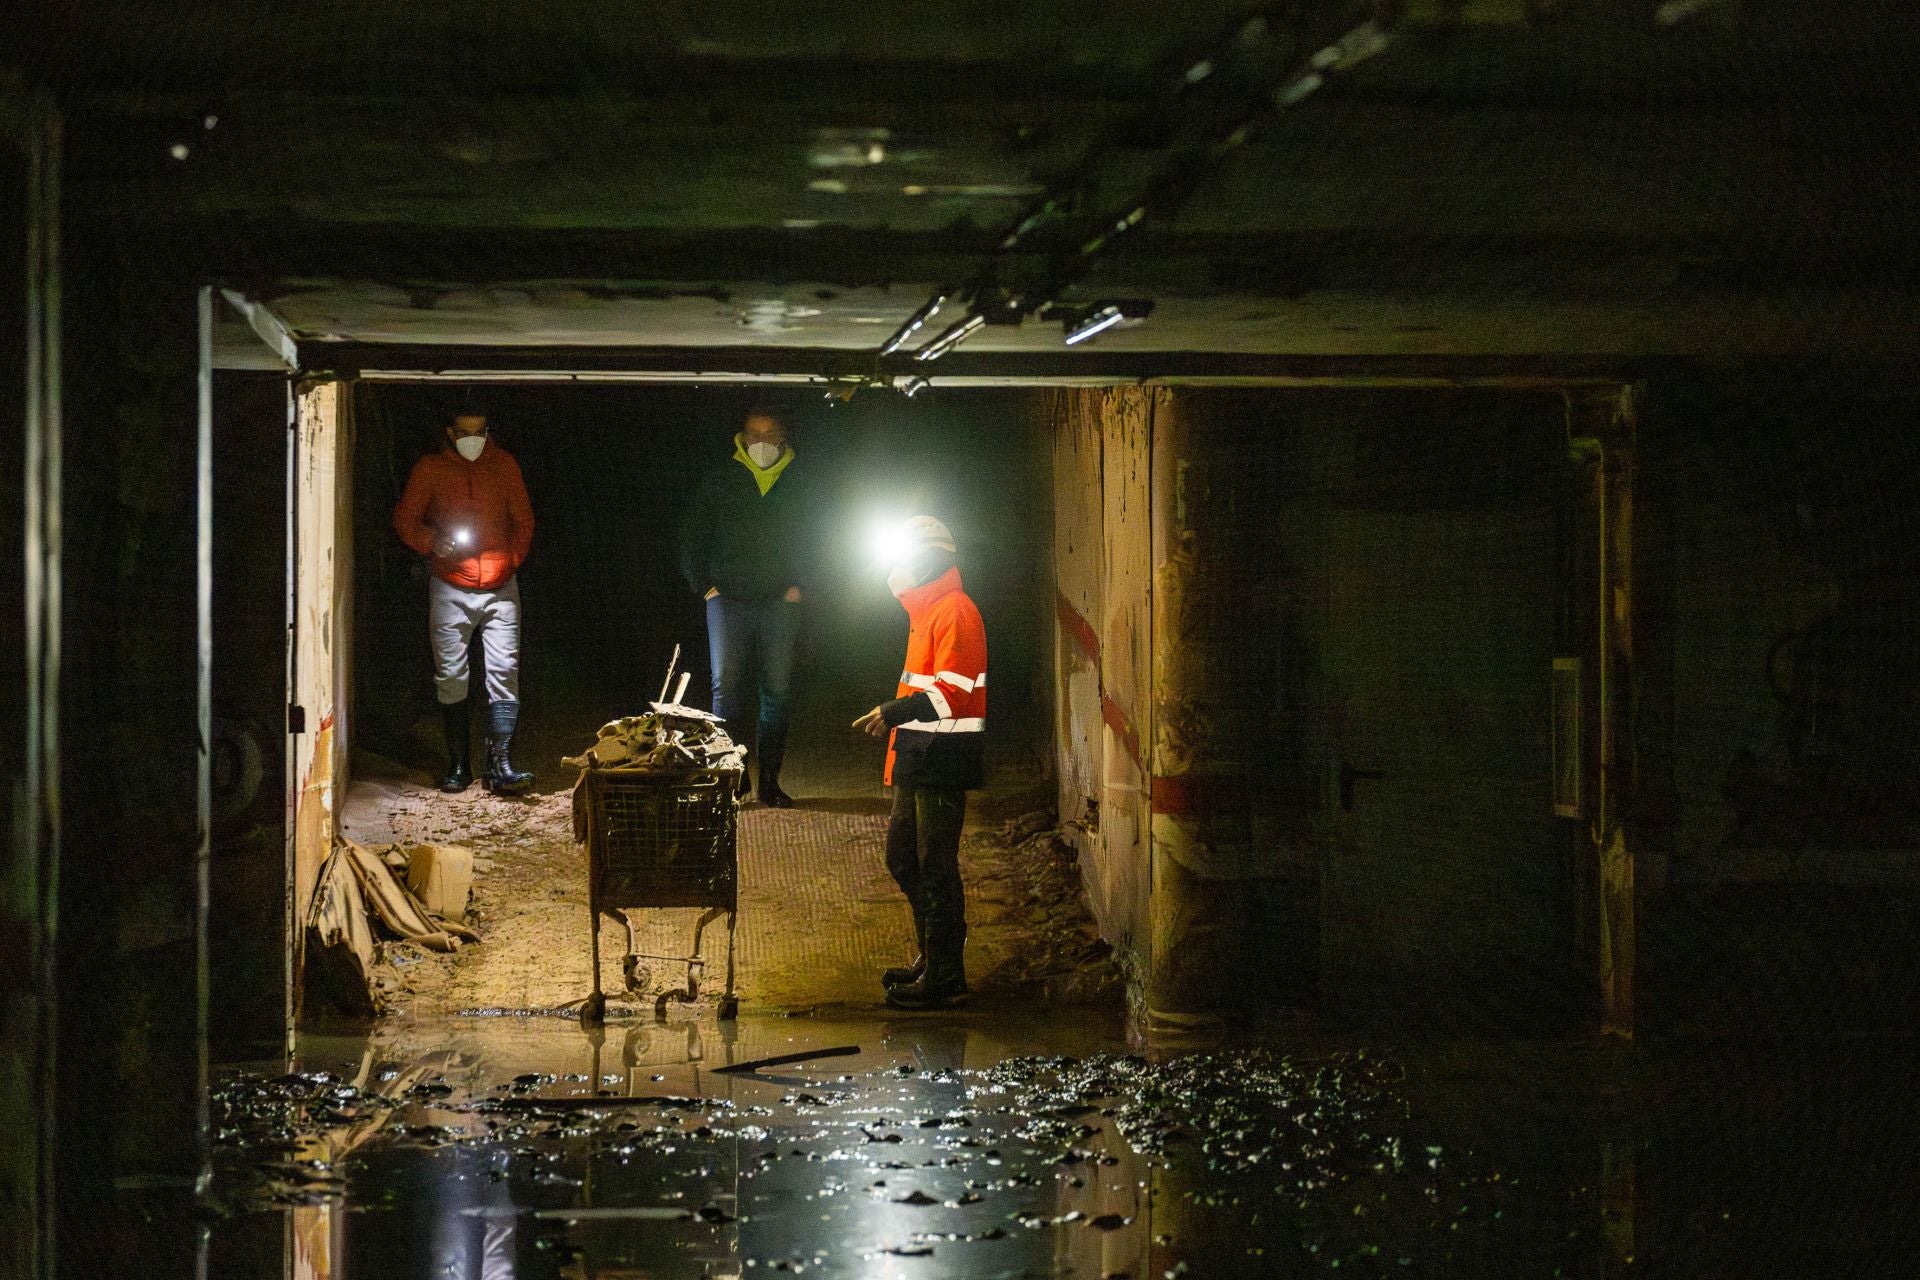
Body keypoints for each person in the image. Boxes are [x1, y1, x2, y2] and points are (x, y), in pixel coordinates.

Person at [852, 516, 988, 1009]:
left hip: (943, 759)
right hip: (919, 755)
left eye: (905, 556)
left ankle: (946, 974)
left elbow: (951, 693)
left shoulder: (955, 612)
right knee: (904, 859)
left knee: (935, 866)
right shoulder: (927, 613)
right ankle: (933, 957)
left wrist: (893, 712)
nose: (897, 565)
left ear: (928, 559)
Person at [678, 403, 817, 807]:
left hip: (780, 603)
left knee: (777, 691)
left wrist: (801, 586)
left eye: (768, 434)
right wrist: (705, 586)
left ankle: (770, 783)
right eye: (752, 435)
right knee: (727, 692)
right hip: (728, 603)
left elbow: (818, 538)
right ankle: (732, 781)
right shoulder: (721, 478)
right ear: (741, 437)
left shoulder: (798, 481)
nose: (759, 442)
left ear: (782, 438)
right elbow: (691, 535)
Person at [392, 407, 536, 796]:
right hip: (449, 585)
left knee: (504, 670)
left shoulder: (504, 466)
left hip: (500, 586)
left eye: (480, 431)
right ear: (450, 433)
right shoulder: (430, 469)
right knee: (452, 674)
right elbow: (405, 519)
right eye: (465, 432)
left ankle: (500, 761)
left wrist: (510, 561)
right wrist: (433, 543)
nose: (474, 439)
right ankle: (458, 763)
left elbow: (524, 521)